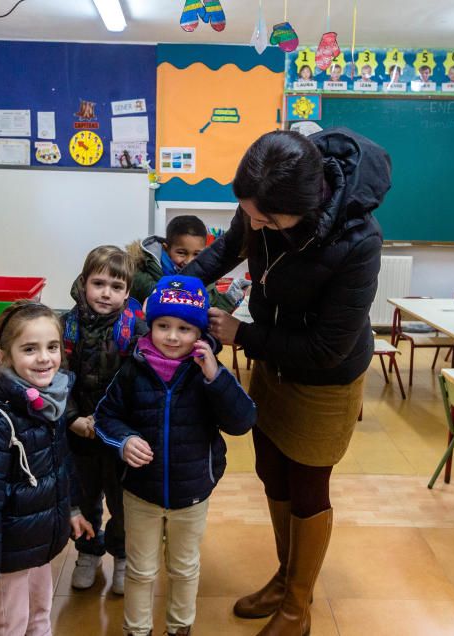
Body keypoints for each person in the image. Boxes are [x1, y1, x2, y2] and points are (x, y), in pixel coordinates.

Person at [184, 128, 390, 636]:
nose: (254, 224)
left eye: (266, 220)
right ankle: (284, 578)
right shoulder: (262, 196)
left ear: (305, 205)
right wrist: (178, 285)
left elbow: (326, 349)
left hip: (325, 380)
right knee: (272, 469)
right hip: (271, 359)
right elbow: (229, 248)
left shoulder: (357, 241)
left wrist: (241, 334)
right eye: (250, 213)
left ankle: (298, 607)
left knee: (307, 483)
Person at [95, 275, 256, 636]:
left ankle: (179, 627)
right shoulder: (132, 370)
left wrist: (215, 375)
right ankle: (136, 629)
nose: (172, 336)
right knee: (140, 569)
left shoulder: (208, 372)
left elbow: (242, 421)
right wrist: (124, 440)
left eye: (184, 328)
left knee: (184, 568)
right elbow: (106, 417)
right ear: (150, 326)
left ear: (199, 334)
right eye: (163, 325)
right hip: (141, 493)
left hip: (193, 493)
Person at [0, 300, 94, 636]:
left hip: (40, 538)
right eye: (30, 349)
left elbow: (59, 464)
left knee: (40, 615)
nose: (44, 358)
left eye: (52, 347)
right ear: (4, 357)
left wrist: (70, 509)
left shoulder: (48, 397)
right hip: (8, 549)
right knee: (8, 624)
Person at [62, 245, 147, 595]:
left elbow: (142, 385)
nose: (106, 293)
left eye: (116, 287)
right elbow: (55, 379)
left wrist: (117, 427)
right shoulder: (66, 326)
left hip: (118, 437)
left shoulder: (135, 329)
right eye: (99, 283)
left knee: (123, 501)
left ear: (127, 292)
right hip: (78, 433)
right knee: (83, 498)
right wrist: (72, 419)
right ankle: (88, 552)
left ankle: (123, 557)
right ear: (84, 284)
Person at [128, 215, 244, 313]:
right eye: (181, 253)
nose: (189, 261)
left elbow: (212, 305)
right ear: (166, 248)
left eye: (197, 254)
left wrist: (231, 297)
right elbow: (170, 299)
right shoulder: (142, 273)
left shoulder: (205, 272)